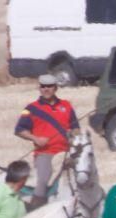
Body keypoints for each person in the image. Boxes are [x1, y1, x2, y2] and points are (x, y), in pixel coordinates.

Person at [14, 74, 80, 208]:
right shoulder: (30, 109)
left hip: (66, 152)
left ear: (55, 88)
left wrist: (73, 136)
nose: (46, 89)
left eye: (49, 86)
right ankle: (36, 208)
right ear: (39, 88)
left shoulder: (67, 106)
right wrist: (36, 139)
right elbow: (19, 130)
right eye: (43, 86)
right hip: (45, 153)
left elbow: (76, 128)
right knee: (44, 178)